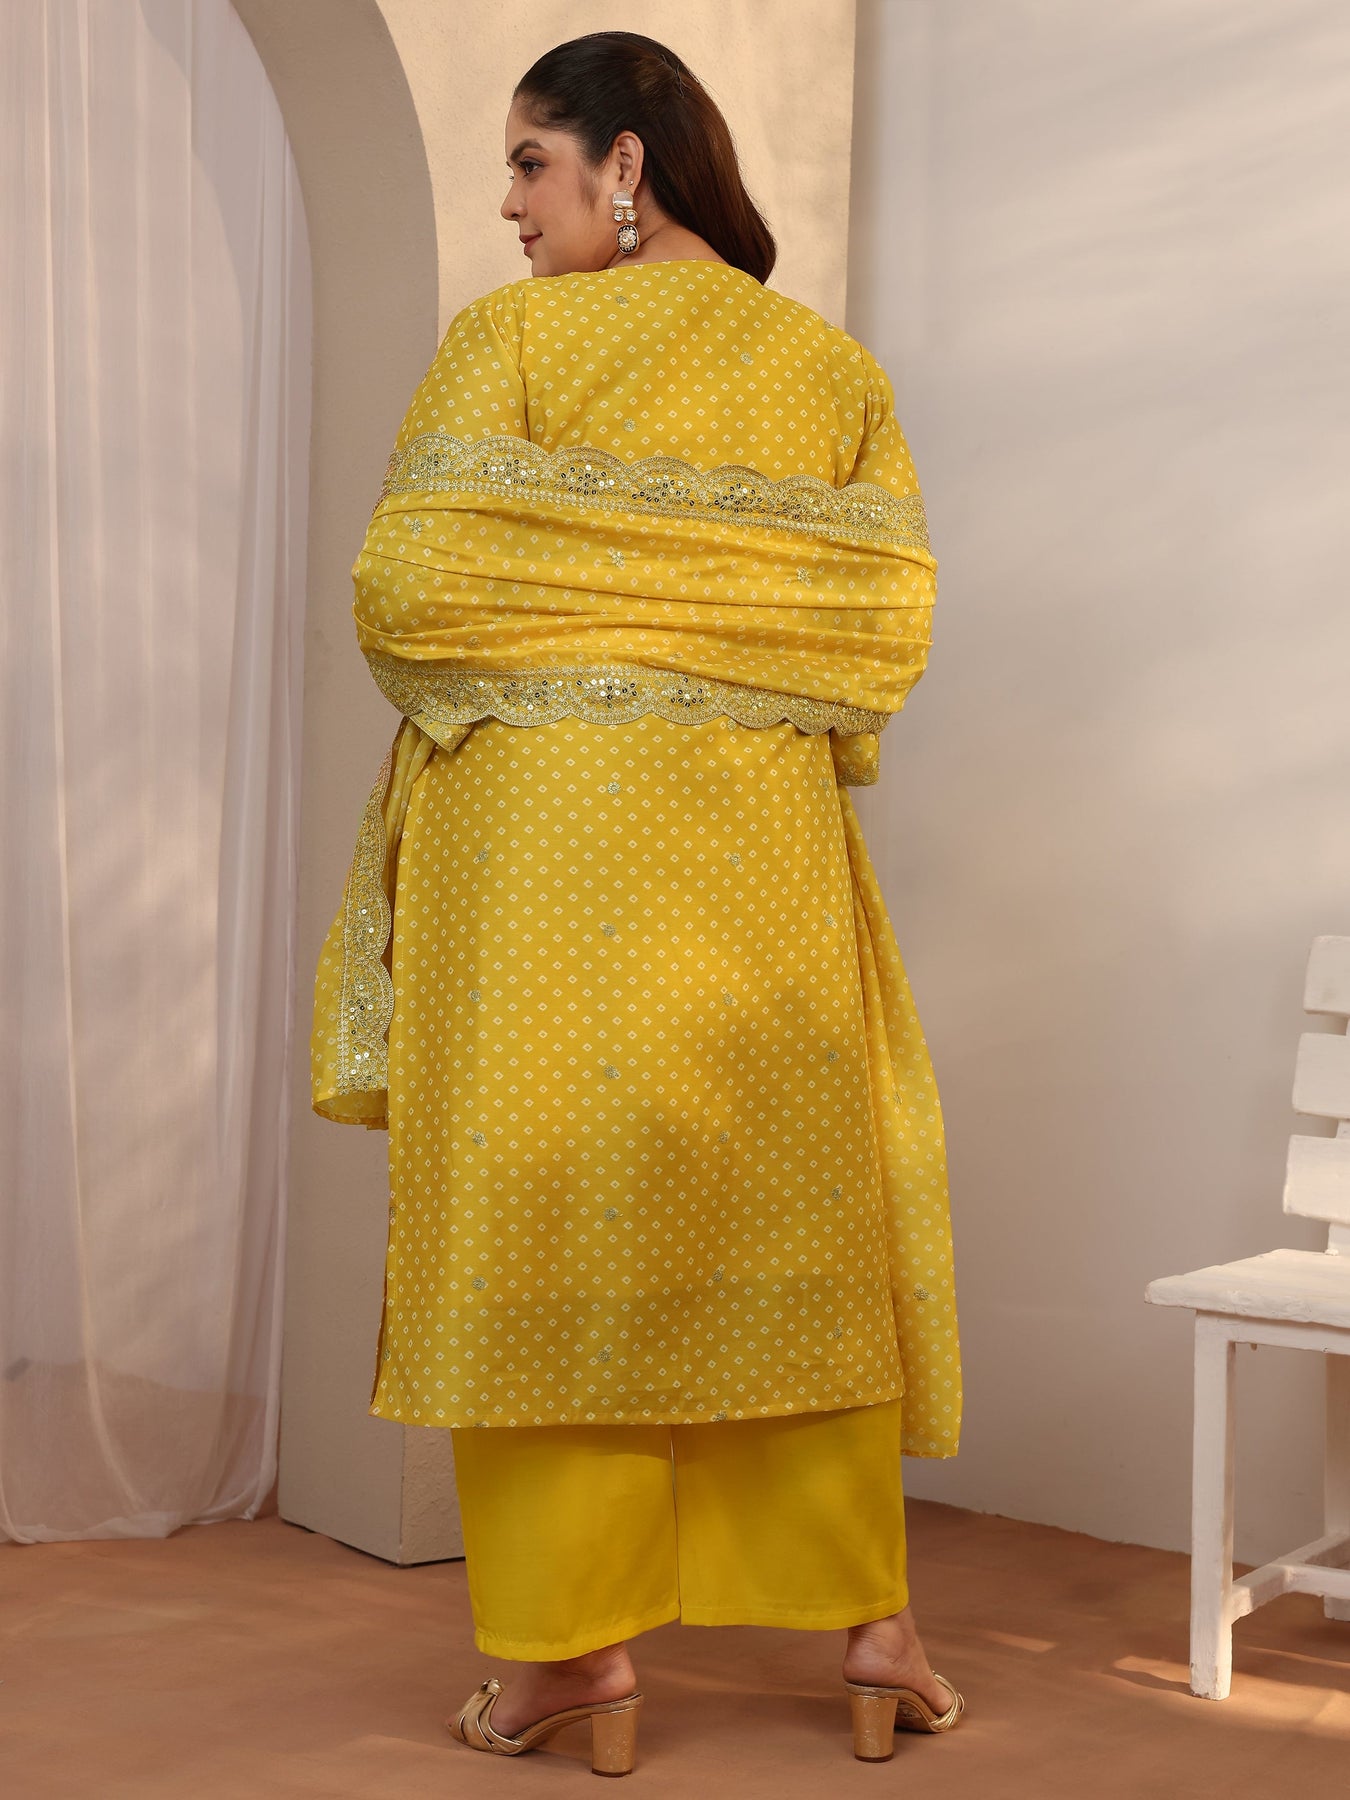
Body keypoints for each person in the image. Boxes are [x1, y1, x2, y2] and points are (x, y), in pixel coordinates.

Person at [311, 29, 963, 1777]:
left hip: (530, 860)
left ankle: (568, 1658)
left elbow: (412, 590)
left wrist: (572, 591)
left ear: (625, 162)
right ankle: (872, 1632)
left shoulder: (510, 347)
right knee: (783, 1216)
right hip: (750, 852)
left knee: (541, 1225)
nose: (510, 208)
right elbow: (857, 629)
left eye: (530, 163)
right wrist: (723, 613)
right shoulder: (826, 371)